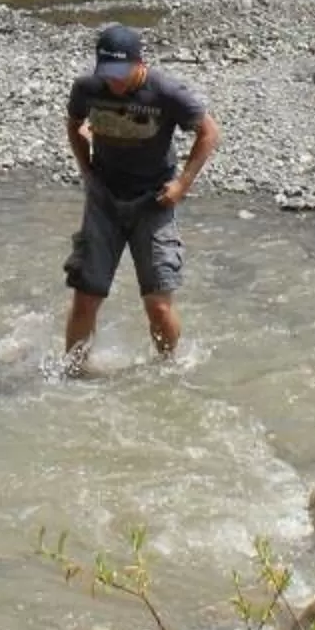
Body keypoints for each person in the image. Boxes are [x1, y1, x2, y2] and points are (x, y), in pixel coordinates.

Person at [62, 22, 219, 374]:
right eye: (107, 72)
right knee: (86, 297)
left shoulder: (166, 92)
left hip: (154, 201)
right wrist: (86, 169)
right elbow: (74, 124)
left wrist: (182, 185)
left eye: (121, 72)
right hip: (104, 199)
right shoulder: (87, 88)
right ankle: (72, 375)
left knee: (159, 306)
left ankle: (168, 371)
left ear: (139, 63)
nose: (114, 81)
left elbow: (209, 132)